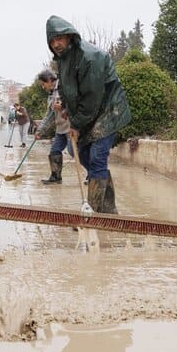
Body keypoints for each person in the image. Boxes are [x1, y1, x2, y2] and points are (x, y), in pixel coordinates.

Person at [45, 15, 131, 213]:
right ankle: (108, 208)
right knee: (76, 150)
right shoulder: (63, 60)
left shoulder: (90, 57)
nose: (56, 43)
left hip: (108, 111)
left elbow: (92, 98)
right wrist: (66, 108)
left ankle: (92, 211)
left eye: (60, 38)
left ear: (69, 36)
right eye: (52, 40)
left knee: (97, 157)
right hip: (88, 113)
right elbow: (68, 90)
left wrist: (75, 124)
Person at [34, 68, 73, 184]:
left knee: (74, 151)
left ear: (50, 80)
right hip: (60, 128)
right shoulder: (51, 94)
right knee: (54, 151)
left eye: (43, 84)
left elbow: (77, 104)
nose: (43, 87)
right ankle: (56, 177)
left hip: (71, 127)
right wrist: (40, 131)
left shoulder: (65, 87)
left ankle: (92, 174)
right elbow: (49, 116)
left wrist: (63, 106)